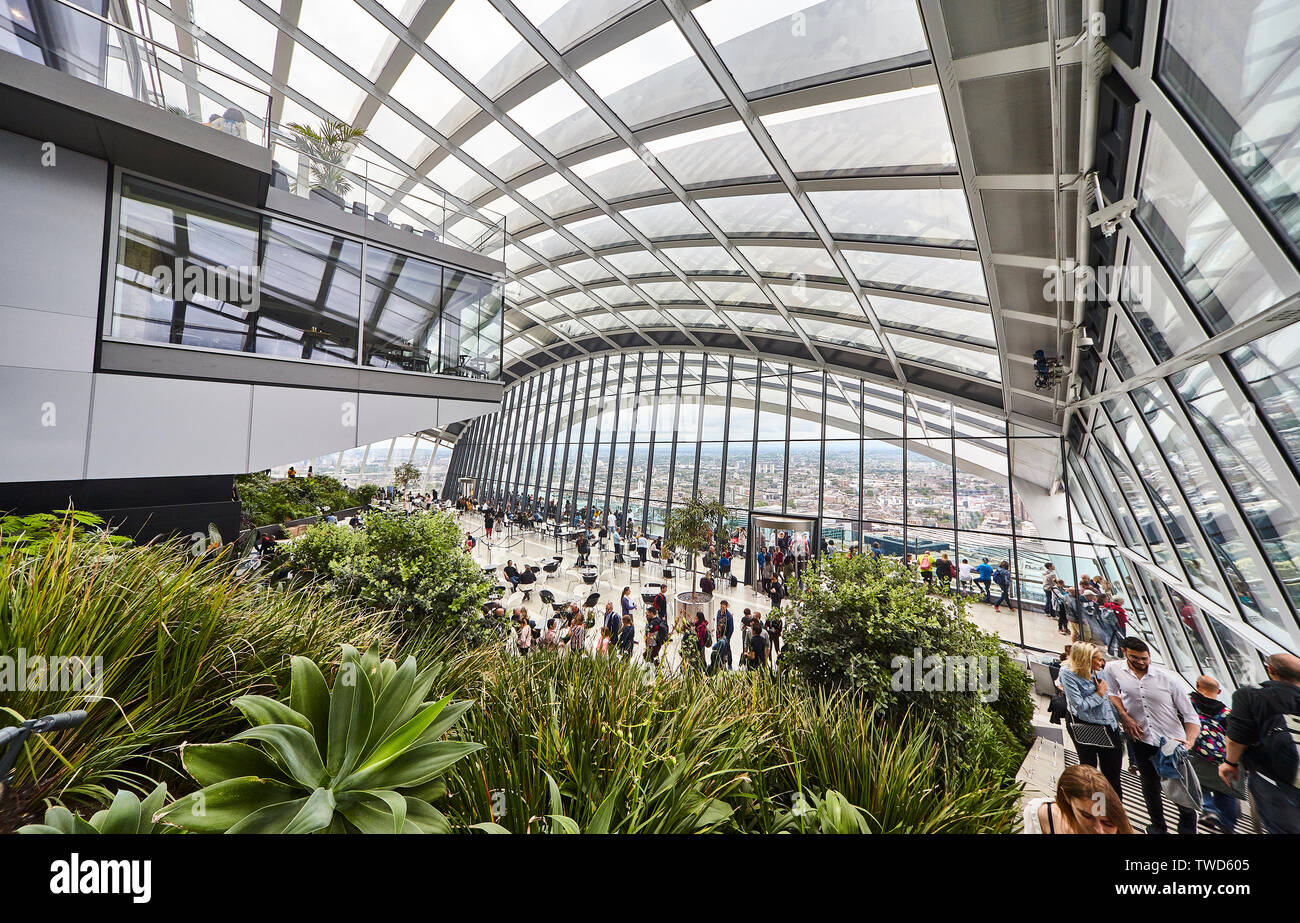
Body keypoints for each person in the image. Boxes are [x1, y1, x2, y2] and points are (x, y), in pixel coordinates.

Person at [1102, 637, 1201, 834]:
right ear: (1124, 652)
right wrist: (1124, 716)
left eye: (1144, 658)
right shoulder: (1113, 669)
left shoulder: (1169, 680)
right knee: (1150, 785)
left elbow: (1192, 717)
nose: (1141, 662)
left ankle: (1187, 830)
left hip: (1170, 743)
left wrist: (1188, 743)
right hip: (1140, 738)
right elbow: (1112, 693)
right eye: (1135, 658)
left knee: (1180, 788)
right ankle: (1158, 827)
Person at [1219, 652, 1300, 834]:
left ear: (1270, 670)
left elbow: (1236, 739)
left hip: (1273, 778)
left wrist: (1230, 763)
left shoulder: (1250, 696)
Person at [1059, 642, 1124, 799]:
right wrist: (1099, 694)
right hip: (1087, 725)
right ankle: (1097, 811)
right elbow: (1079, 705)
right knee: (1090, 772)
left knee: (1112, 775)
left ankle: (1113, 814)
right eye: (1098, 659)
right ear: (1085, 660)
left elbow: (1109, 699)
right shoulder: (1068, 673)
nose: (1102, 663)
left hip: (1108, 725)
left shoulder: (1099, 671)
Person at [1187, 674, 1239, 833]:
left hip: (1195, 750)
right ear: (1219, 691)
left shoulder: (1189, 703)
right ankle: (1228, 825)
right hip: (1220, 756)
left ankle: (1208, 809)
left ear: (1197, 685)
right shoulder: (1226, 712)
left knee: (1196, 781)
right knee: (1226, 790)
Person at [1022, 765, 1134, 834]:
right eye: (1087, 816)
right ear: (1066, 797)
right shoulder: (1040, 814)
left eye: (1107, 823)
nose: (1099, 830)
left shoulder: (1121, 828)